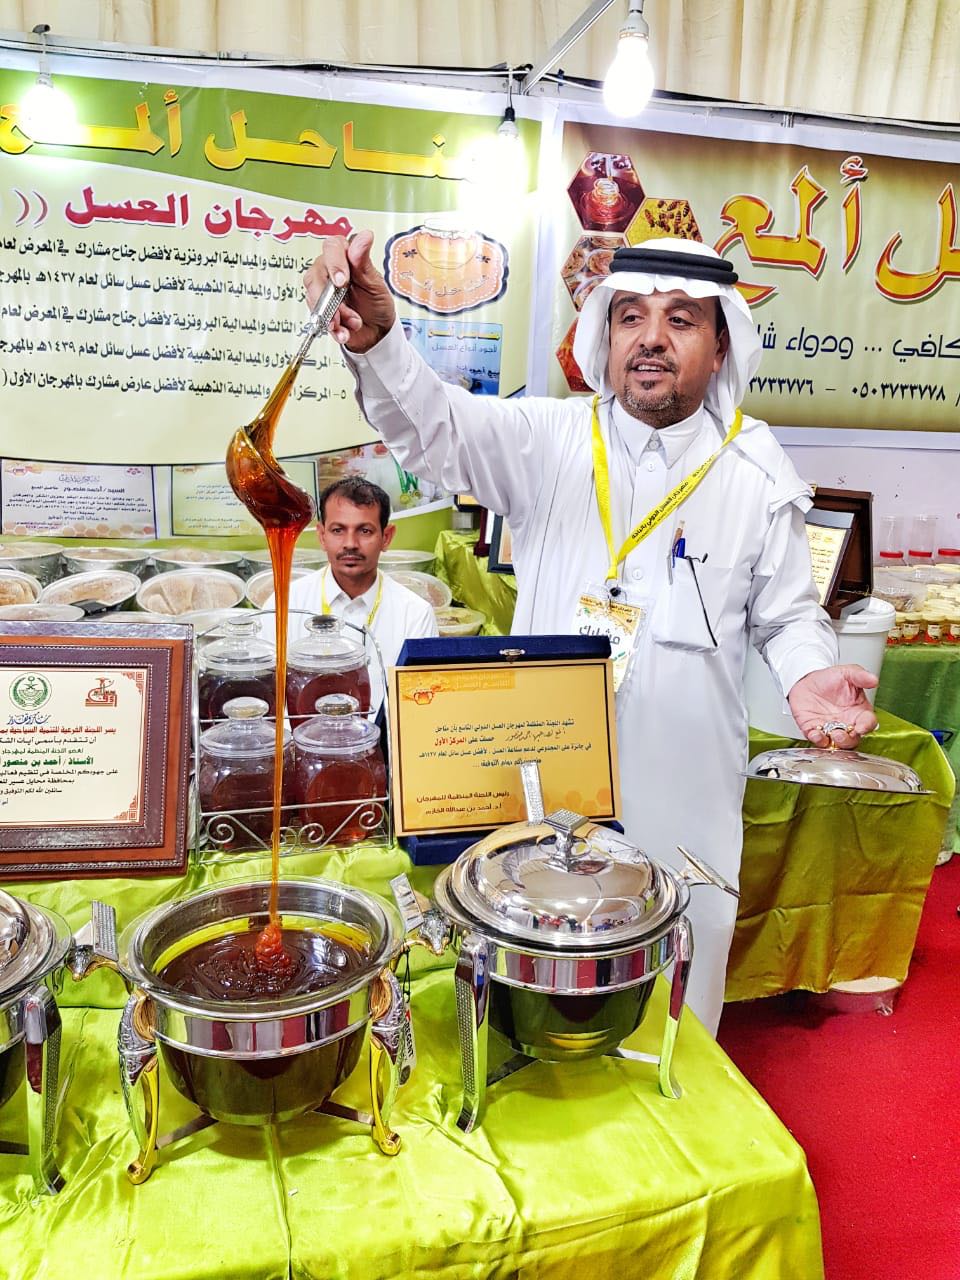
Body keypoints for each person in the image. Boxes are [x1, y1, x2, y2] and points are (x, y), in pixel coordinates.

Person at [303, 232, 878, 1035]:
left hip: (684, 782)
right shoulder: (549, 442)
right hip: (544, 777)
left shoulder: (754, 470)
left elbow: (787, 615)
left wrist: (810, 671)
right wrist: (381, 342)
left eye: (681, 319)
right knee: (536, 965)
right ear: (605, 337)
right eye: (630, 316)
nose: (651, 338)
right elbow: (438, 425)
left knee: (679, 981)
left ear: (720, 347)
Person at [267, 476, 438, 708]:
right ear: (322, 536)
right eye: (338, 530)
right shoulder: (284, 604)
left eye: (365, 531)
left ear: (386, 537)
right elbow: (268, 699)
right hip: (301, 732)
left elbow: (421, 705)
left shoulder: (415, 614)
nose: (350, 543)